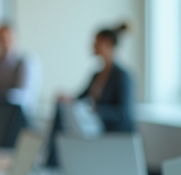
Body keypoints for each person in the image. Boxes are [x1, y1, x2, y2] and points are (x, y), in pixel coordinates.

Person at [45, 22, 135, 167]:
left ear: (107, 44)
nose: (92, 46)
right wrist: (67, 98)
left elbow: (124, 113)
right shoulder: (96, 75)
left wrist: (96, 111)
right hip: (95, 129)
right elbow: (80, 97)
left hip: (114, 134)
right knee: (62, 108)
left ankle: (51, 162)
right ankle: (51, 160)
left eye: (96, 42)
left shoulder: (123, 76)